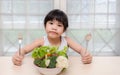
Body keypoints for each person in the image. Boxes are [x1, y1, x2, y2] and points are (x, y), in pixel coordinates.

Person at [12, 9, 92, 66]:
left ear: (64, 30)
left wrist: (86, 55)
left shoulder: (67, 41)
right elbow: (24, 50)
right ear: (45, 25)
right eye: (51, 23)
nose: (54, 27)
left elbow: (81, 49)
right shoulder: (41, 41)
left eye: (59, 25)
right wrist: (18, 56)